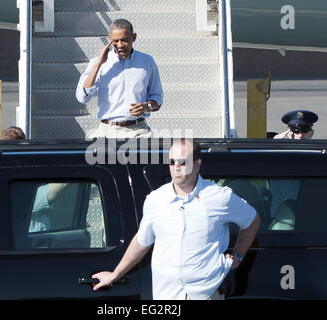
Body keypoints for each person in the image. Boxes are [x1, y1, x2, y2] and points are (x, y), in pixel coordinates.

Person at [92, 139, 260, 300]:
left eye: (182, 162)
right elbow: (142, 241)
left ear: (197, 164)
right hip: (167, 294)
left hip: (205, 292)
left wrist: (237, 255)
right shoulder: (156, 199)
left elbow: (252, 220)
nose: (176, 167)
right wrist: (115, 274)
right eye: (172, 162)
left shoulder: (219, 196)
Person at [76, 19, 163, 139]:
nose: (120, 45)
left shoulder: (147, 61)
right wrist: (98, 64)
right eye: (115, 41)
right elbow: (82, 97)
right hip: (106, 132)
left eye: (124, 40)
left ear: (134, 37)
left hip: (139, 131)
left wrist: (146, 106)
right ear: (109, 40)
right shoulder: (98, 62)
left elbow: (157, 98)